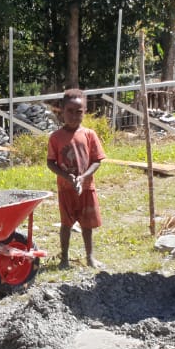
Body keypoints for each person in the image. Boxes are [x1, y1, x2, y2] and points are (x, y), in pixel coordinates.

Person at [47, 89, 106, 269]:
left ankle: (90, 257)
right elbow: (50, 162)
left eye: (78, 111)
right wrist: (67, 176)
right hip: (66, 189)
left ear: (85, 111)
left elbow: (97, 160)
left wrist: (83, 177)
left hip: (86, 188)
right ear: (62, 111)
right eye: (70, 111)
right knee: (66, 225)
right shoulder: (55, 138)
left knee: (87, 225)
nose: (74, 116)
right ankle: (64, 259)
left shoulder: (89, 134)